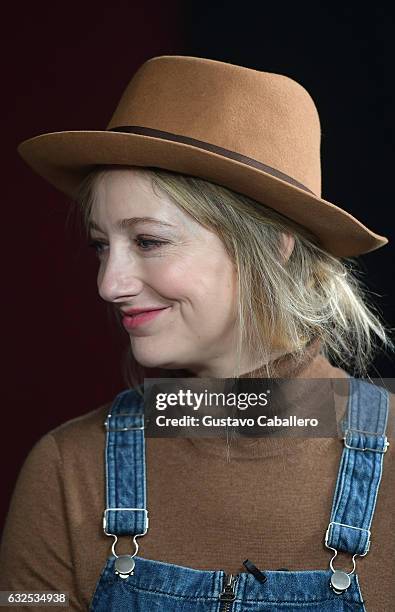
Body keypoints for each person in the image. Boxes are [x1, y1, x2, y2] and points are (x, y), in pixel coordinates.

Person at [1, 55, 394, 611]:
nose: (109, 285)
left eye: (149, 241)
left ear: (273, 243)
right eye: (100, 245)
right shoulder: (68, 470)